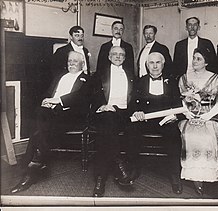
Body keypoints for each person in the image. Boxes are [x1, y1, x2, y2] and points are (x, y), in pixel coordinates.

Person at [10, 51, 91, 194]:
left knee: (39, 127)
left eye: (75, 61)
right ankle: (36, 164)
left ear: (82, 64)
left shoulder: (87, 79)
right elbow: (48, 93)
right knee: (41, 118)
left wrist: (58, 101)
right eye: (69, 61)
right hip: (51, 114)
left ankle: (29, 166)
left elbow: (80, 98)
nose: (71, 63)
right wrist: (45, 101)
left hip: (71, 115)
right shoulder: (60, 76)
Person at [128, 52, 183, 194]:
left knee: (174, 134)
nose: (155, 66)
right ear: (147, 65)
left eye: (158, 62)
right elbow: (132, 102)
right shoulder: (140, 81)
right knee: (132, 131)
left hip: (165, 120)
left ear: (163, 64)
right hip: (144, 119)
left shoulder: (172, 82)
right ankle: (133, 168)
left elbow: (178, 104)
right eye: (151, 63)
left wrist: (174, 115)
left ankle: (174, 174)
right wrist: (136, 111)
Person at [178, 47, 218, 196]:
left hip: (210, 115)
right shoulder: (184, 78)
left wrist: (208, 116)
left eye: (198, 58)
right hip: (190, 115)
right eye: (193, 58)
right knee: (190, 135)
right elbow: (181, 100)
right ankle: (194, 178)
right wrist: (187, 113)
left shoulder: (216, 78)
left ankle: (208, 176)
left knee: (207, 135)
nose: (194, 61)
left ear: (206, 62)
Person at [91, 46, 135, 197]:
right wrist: (101, 106)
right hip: (106, 111)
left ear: (125, 57)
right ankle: (115, 167)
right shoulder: (99, 74)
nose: (118, 56)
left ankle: (101, 178)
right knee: (108, 125)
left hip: (125, 113)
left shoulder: (130, 74)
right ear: (109, 57)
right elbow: (92, 94)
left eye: (121, 54)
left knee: (107, 134)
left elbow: (135, 97)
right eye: (114, 54)